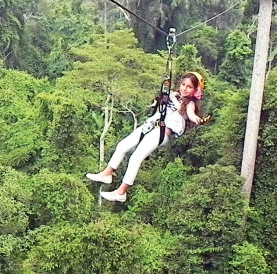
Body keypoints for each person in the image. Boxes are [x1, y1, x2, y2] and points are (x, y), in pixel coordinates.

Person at [86, 72, 211, 202]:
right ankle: (106, 174)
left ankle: (121, 192)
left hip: (162, 132)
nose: (184, 88)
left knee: (135, 157)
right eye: (183, 84)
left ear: (195, 90)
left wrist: (199, 120)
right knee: (122, 146)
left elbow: (191, 115)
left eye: (189, 87)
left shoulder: (189, 104)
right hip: (149, 126)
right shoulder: (173, 95)